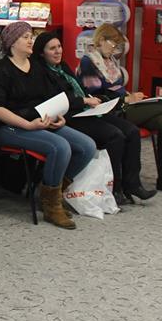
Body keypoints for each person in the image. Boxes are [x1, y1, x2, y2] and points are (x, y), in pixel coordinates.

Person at [0, 22, 96, 229]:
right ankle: (51, 206)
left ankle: (52, 193)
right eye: (26, 37)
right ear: (12, 42)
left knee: (87, 146)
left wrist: (59, 117)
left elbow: (50, 98)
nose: (31, 41)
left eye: (31, 36)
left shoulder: (36, 66)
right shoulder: (1, 70)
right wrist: (28, 125)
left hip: (40, 121)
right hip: (11, 127)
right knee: (60, 147)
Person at [79, 24, 162, 196]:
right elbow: (95, 94)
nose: (115, 49)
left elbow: (117, 87)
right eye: (113, 44)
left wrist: (130, 95)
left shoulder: (110, 60)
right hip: (112, 110)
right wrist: (126, 99)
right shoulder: (88, 62)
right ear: (101, 40)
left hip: (125, 103)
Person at [33, 32, 155, 205]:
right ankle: (116, 189)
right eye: (52, 48)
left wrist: (92, 100)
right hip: (70, 116)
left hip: (87, 110)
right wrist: (84, 101)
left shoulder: (62, 67)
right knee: (115, 136)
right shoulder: (41, 72)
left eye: (59, 46)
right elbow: (57, 100)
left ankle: (133, 184)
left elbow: (80, 89)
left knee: (132, 131)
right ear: (41, 52)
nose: (58, 51)